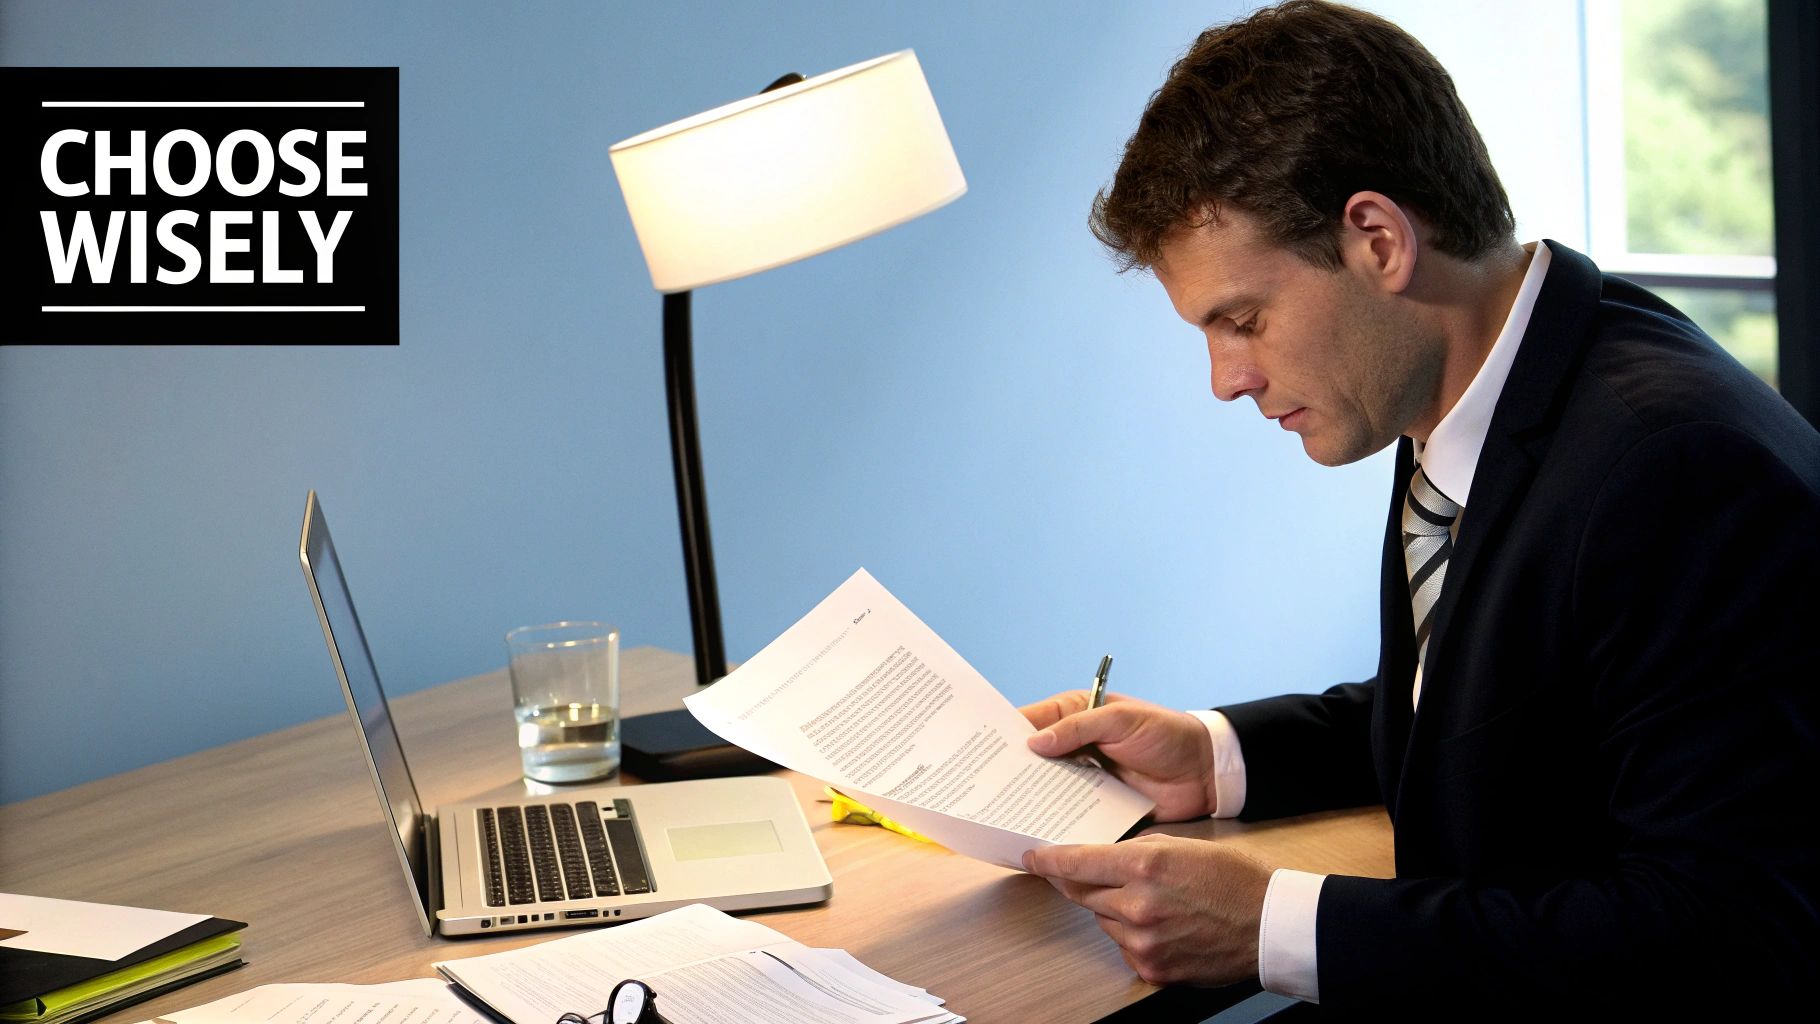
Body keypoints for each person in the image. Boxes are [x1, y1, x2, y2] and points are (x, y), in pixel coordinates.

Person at [1017, 0, 1820, 1014]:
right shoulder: (1476, 384)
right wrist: (1215, 755)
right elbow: (1504, 710)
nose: (1224, 379)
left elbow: (1730, 937)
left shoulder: (1675, 468)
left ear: (1376, 240)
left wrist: (1274, 926)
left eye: (1241, 319)